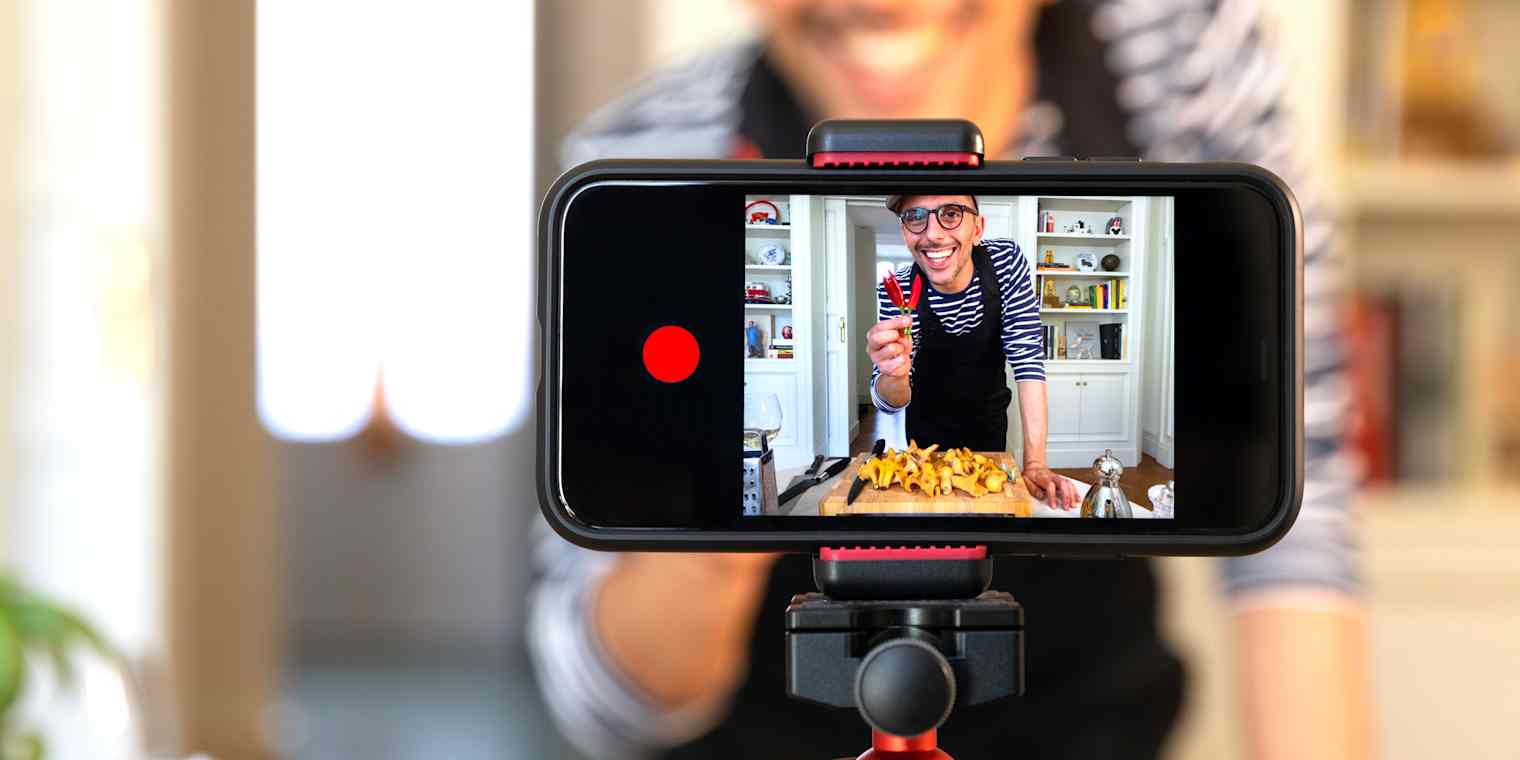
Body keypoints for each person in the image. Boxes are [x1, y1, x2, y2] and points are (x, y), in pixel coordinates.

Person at [529, 2, 1370, 759]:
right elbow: (607, 704)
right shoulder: (654, 153)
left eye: (949, 222)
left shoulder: (1175, 55)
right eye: (919, 227)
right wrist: (737, 489)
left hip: (1080, 713)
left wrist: (1033, 456)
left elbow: (1297, 503)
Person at [868, 193, 1079, 508]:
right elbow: (888, 402)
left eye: (951, 213)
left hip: (989, 426)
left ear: (978, 228)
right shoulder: (898, 291)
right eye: (915, 217)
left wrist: (1035, 463)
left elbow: (1028, 360)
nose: (933, 234)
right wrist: (894, 374)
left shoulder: (1006, 263)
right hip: (925, 435)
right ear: (904, 233)